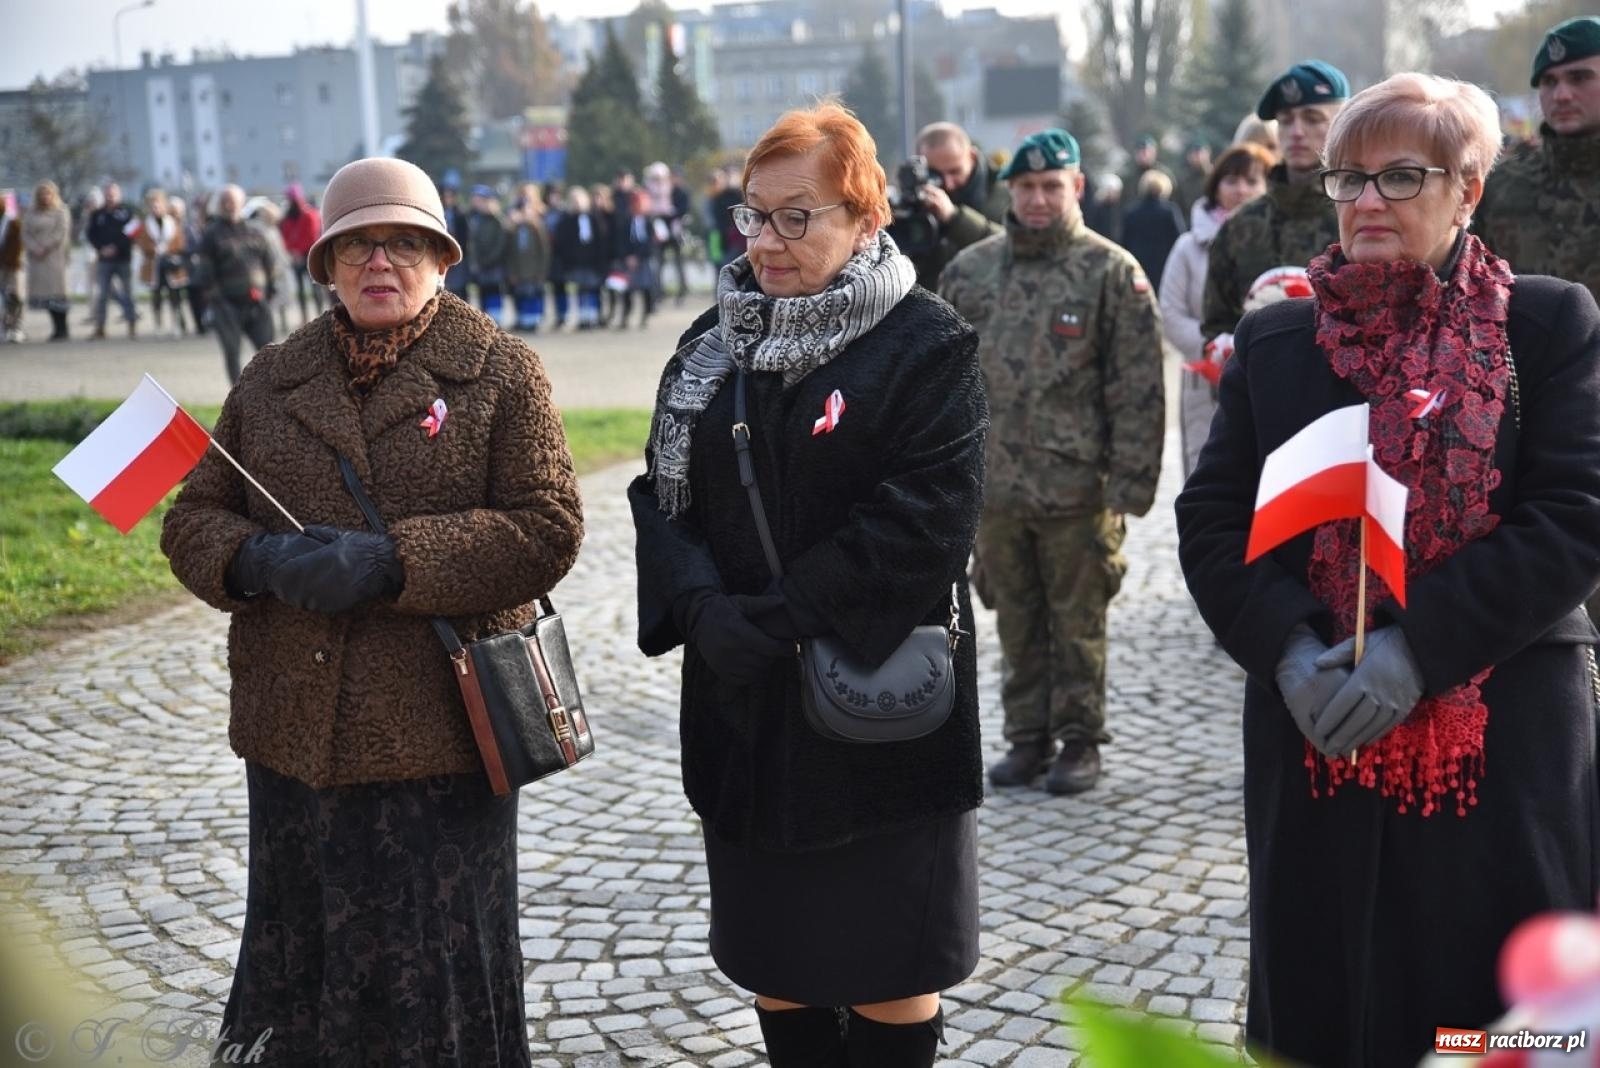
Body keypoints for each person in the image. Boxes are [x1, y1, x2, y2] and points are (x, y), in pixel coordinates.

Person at [1175, 73, 1600, 1068]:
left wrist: (1417, 651)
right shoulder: (1278, 338)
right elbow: (1212, 522)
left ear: (1467, 190)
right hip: (1319, 726)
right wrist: (1286, 650)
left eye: (1401, 177)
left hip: (1500, 737)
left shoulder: (1545, 325)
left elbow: (1573, 516)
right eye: (1348, 178)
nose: (1366, 201)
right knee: (1328, 1011)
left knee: (1495, 1028)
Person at [161, 156, 584, 1067]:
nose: (379, 262)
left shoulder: (501, 372)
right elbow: (193, 517)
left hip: (441, 741)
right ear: (326, 265)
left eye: (404, 243)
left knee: (435, 979)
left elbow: (547, 527)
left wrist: (393, 562)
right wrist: (257, 561)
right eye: (357, 245)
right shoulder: (272, 379)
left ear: (441, 259)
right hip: (294, 739)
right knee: (302, 967)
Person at [630, 101, 986, 1067]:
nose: (767, 240)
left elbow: (927, 518)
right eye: (755, 214)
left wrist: (783, 617)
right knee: (777, 962)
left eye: (799, 216)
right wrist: (700, 607)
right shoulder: (710, 344)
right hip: (747, 710)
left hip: (877, 712)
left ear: (866, 217)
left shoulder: (928, 343)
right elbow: (660, 495)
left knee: (890, 973)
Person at [940, 128, 1165, 795]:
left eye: (1051, 186)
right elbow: (943, 383)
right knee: (1013, 616)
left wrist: (1129, 484)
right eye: (1026, 187)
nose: (1038, 199)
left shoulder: (1111, 272)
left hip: (1078, 488)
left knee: (1077, 621)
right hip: (996, 489)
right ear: (1010, 191)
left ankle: (1079, 739)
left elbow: (1138, 387)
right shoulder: (970, 271)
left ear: (1077, 187)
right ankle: (1026, 738)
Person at [1473, 16, 1600, 622]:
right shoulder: (1504, 183)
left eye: (1580, 77)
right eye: (1548, 82)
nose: (1561, 94)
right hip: (1520, 410)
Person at [1202, 61, 1349, 343]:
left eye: (1312, 118)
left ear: (1343, 123)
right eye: (1285, 120)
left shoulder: (1361, 215)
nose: (1296, 131)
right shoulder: (1241, 225)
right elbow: (1215, 327)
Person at [1159, 143, 1275, 478]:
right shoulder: (1188, 248)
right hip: (1205, 379)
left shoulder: (1280, 243)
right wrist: (1215, 348)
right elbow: (1170, 311)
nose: (1241, 190)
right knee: (1207, 474)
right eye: (1231, 180)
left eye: (1251, 181)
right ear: (1215, 185)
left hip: (1270, 374)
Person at [906, 121, 1009, 289]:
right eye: (935, 174)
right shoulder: (916, 201)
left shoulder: (1006, 195)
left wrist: (954, 218)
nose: (948, 183)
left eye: (955, 171)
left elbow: (1012, 247)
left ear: (972, 156)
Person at [194, 185, 277, 385]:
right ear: (220, 205)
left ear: (241, 203)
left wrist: (269, 291)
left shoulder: (255, 231)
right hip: (227, 304)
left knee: (268, 350)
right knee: (232, 352)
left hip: (257, 301)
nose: (229, 205)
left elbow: (269, 263)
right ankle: (238, 395)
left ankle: (271, 392)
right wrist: (216, 299)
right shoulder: (211, 234)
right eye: (225, 201)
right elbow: (205, 271)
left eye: (233, 201)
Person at [1119, 168, 1187, 292]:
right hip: (1164, 265)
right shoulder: (1169, 211)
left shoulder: (1131, 212)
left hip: (1138, 265)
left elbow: (1124, 241)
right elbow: (1179, 238)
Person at [86, 181, 138, 339]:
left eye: (113, 194)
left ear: (119, 195)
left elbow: (131, 234)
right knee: (102, 294)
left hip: (123, 259)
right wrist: (101, 248)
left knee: (127, 292)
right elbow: (91, 235)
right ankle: (100, 326)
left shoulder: (127, 213)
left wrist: (116, 248)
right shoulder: (97, 215)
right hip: (104, 260)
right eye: (108, 194)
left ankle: (131, 324)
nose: (110, 197)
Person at [23, 180, 72, 342]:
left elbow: (61, 232)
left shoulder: (61, 211)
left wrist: (45, 246)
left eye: (48, 194)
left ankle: (62, 328)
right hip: (38, 260)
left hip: (54, 258)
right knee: (47, 297)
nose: (45, 197)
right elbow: (25, 233)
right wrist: (34, 247)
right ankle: (55, 328)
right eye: (42, 194)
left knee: (58, 295)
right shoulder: (31, 213)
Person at [554, 186, 607, 330]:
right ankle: (583, 318)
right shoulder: (566, 221)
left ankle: (593, 318)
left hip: (592, 262)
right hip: (575, 263)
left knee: (593, 290)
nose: (577, 203)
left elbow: (601, 241)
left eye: (580, 200)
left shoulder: (595, 219)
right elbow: (562, 243)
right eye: (574, 201)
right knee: (580, 291)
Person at [278, 183, 325, 325]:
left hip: (309, 255)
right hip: (296, 257)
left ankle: (320, 315)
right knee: (299, 288)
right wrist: (292, 251)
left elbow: (312, 236)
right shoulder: (287, 217)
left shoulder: (310, 214)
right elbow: (285, 236)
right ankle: (304, 316)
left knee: (315, 286)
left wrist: (297, 250)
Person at [507, 187, 551, 333]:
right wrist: (512, 272)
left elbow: (544, 251)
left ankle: (534, 321)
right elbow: (510, 253)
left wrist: (541, 271)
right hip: (519, 271)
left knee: (534, 296)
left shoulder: (537, 227)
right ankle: (523, 321)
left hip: (534, 271)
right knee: (521, 295)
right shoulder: (514, 229)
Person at [616, 188, 658, 329]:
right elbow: (621, 241)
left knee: (646, 288)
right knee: (627, 289)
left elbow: (651, 242)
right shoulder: (625, 221)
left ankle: (645, 315)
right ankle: (625, 315)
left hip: (644, 258)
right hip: (628, 260)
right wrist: (627, 257)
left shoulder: (649, 221)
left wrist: (639, 257)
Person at [467, 185, 508, 325]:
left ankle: (496, 321)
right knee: (482, 291)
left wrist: (488, 260)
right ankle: (485, 321)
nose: (477, 203)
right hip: (479, 264)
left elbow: (500, 244)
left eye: (481, 200)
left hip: (493, 264)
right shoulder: (472, 217)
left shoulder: (497, 219)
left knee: (494, 291)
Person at [1, 203, 24, 342]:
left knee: (14, 298)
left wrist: (9, 261)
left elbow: (18, 245)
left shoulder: (12, 222)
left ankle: (16, 328)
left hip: (11, 266)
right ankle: (4, 328)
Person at [1174, 138, 1212, 215]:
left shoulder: (1215, 176)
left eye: (1201, 152)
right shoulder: (1182, 179)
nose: (1198, 156)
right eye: (1195, 153)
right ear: (1189, 157)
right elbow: (1177, 204)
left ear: (1208, 154)